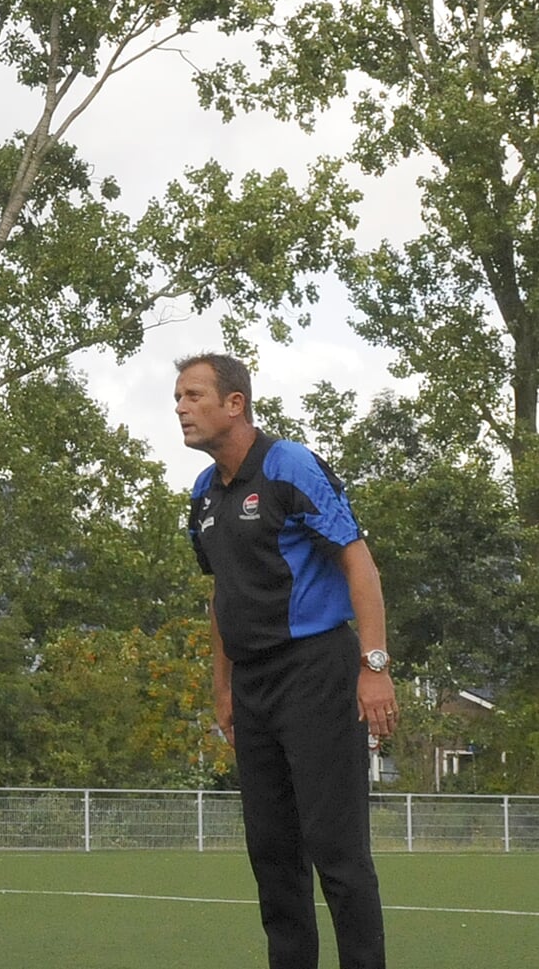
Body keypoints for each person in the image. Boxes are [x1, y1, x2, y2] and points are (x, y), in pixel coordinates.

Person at [175, 352, 395, 969]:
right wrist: (223, 691)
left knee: (336, 848)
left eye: (194, 396)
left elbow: (359, 562)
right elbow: (222, 597)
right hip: (253, 686)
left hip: (317, 670)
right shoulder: (202, 494)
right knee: (271, 850)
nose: (181, 409)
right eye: (178, 398)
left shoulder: (288, 465)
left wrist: (373, 667)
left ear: (235, 403)